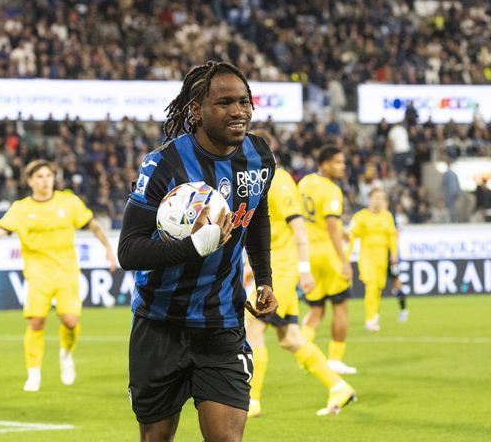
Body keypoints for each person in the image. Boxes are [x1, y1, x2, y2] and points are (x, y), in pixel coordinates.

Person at [118, 61, 278, 442]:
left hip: (222, 323)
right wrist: (193, 247)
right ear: (196, 110)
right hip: (160, 324)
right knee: (156, 438)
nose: (238, 111)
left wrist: (264, 279)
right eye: (224, 103)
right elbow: (129, 250)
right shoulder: (164, 164)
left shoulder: (259, 156)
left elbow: (257, 214)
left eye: (244, 102)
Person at [0, 160, 118, 392]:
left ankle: (66, 354)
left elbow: (93, 225)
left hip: (66, 273)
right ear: (30, 181)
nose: (45, 181)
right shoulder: (21, 209)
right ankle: (33, 374)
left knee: (70, 322)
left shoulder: (68, 202)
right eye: (40, 177)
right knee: (36, 321)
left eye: (49, 176)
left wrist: (108, 249)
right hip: (37, 275)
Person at [244, 129, 356, 418]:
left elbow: (298, 227)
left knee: (252, 325)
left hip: (281, 270)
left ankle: (251, 402)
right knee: (290, 338)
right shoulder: (257, 180)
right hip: (272, 268)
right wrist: (250, 266)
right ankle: (339, 387)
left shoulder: (279, 181)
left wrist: (304, 269)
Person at [298, 145, 357, 375]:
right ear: (324, 164)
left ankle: (304, 356)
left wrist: (340, 231)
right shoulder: (332, 190)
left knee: (316, 310)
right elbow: (331, 225)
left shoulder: (305, 182)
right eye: (338, 162)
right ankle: (335, 360)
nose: (343, 167)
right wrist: (344, 261)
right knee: (340, 307)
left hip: (309, 254)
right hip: (329, 255)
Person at [347, 189, 407, 331]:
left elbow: (392, 236)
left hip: (382, 257)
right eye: (376, 197)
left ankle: (374, 314)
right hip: (367, 256)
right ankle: (370, 319)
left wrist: (394, 254)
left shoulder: (387, 217)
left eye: (381, 198)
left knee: (378, 287)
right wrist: (346, 255)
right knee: (371, 285)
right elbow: (351, 236)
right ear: (370, 199)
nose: (379, 200)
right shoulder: (360, 217)